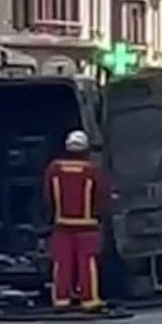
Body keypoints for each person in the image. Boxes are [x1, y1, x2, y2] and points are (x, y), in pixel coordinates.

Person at [43, 130, 107, 310]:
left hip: (61, 225)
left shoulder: (54, 169)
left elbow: (47, 196)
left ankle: (61, 299)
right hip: (87, 226)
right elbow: (102, 196)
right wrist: (99, 215)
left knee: (62, 264)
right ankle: (89, 300)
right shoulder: (92, 170)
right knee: (87, 263)